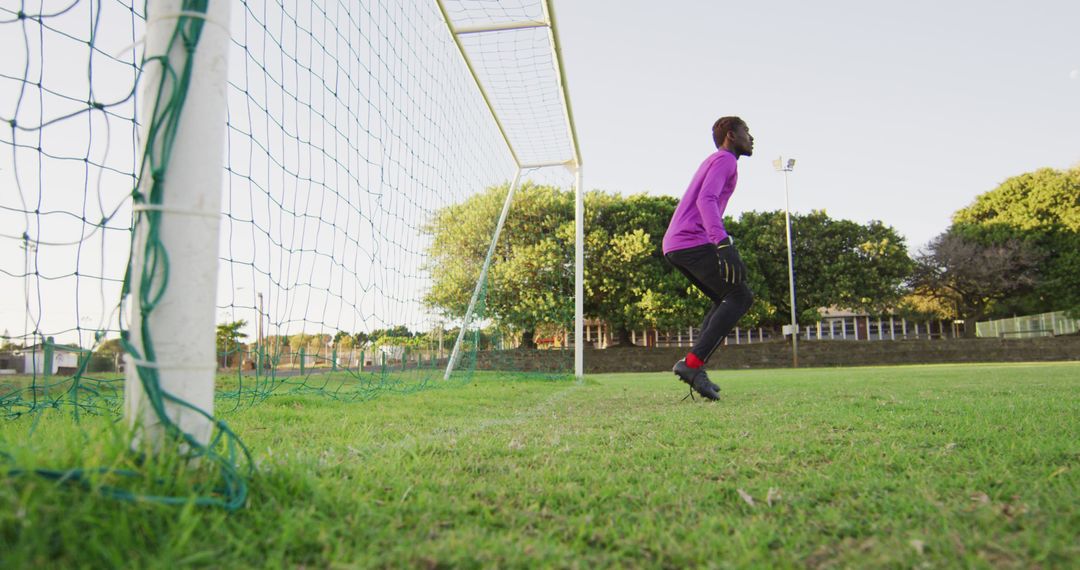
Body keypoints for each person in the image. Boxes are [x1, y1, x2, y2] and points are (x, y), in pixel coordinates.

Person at [661, 116, 755, 401]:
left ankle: (694, 367)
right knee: (740, 297)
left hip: (679, 243)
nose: (752, 138)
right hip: (690, 241)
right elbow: (706, 200)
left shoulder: (717, 160)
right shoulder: (726, 160)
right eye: (747, 132)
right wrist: (722, 242)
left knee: (725, 299)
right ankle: (691, 365)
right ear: (731, 135)